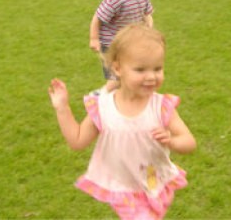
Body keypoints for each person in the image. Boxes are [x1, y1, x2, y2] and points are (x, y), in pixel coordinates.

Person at [49, 24, 197, 220]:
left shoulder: (161, 107)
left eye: (158, 68)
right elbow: (77, 141)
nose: (151, 76)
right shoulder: (102, 107)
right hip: (123, 189)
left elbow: (189, 142)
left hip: (154, 182)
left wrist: (171, 139)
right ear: (118, 68)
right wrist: (62, 108)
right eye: (140, 69)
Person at [89, 0, 153, 92]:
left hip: (129, 43)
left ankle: (121, 105)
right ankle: (98, 98)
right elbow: (98, 17)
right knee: (115, 80)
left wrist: (148, 29)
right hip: (110, 44)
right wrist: (94, 39)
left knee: (129, 76)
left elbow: (147, 14)